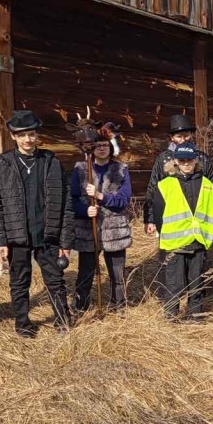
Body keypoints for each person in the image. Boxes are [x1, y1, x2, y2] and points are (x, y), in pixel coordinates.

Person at [0, 110, 73, 336]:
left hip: (48, 235)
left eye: (31, 134)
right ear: (13, 136)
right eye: (22, 135)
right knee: (19, 282)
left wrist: (65, 241)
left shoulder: (51, 162)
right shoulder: (3, 164)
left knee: (55, 280)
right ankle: (23, 324)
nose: (27, 140)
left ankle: (62, 320)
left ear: (37, 136)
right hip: (18, 237)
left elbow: (66, 204)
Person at [150, 142, 213, 321]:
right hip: (176, 243)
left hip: (199, 241)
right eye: (182, 160)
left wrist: (208, 236)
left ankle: (196, 316)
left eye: (190, 160)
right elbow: (158, 215)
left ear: (196, 160)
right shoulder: (165, 184)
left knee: (197, 282)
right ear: (176, 162)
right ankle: (171, 317)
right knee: (174, 283)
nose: (186, 163)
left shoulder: (208, 184)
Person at [70, 129, 132, 313]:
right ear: (91, 148)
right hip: (89, 230)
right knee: (85, 273)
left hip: (115, 230)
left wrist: (100, 196)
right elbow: (72, 199)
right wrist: (84, 210)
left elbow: (124, 199)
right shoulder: (81, 169)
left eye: (106, 145)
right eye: (98, 145)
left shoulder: (121, 170)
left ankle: (118, 308)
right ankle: (81, 309)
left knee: (117, 274)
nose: (102, 148)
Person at [144, 113, 198, 236]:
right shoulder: (163, 158)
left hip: (194, 216)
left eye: (186, 136)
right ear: (172, 137)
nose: (183, 140)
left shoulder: (200, 157)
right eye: (179, 136)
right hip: (169, 216)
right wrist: (150, 219)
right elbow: (153, 187)